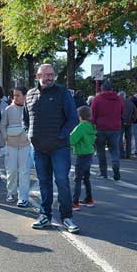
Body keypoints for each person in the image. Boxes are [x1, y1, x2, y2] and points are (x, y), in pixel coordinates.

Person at [24, 64, 79, 233]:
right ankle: (44, 215)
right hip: (38, 148)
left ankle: (67, 217)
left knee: (62, 181)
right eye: (46, 74)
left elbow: (73, 119)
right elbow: (26, 119)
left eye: (51, 74)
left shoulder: (63, 93)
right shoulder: (30, 94)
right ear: (38, 76)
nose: (49, 77)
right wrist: (29, 134)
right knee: (44, 183)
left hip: (59, 148)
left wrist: (61, 136)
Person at [0, 86, 31, 207]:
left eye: (18, 95)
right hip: (11, 145)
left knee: (24, 172)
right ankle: (11, 193)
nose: (15, 97)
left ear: (25, 96)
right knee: (11, 170)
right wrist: (6, 137)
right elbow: (2, 125)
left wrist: (29, 138)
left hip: (26, 145)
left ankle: (23, 197)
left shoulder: (30, 109)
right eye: (14, 95)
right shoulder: (8, 109)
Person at [91, 80, 124, 181]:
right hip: (115, 127)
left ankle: (103, 172)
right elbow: (122, 111)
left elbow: (93, 113)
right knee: (114, 149)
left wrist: (92, 124)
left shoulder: (97, 99)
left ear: (102, 89)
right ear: (112, 89)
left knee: (100, 150)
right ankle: (115, 165)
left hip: (100, 127)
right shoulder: (118, 99)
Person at [70, 105, 96, 209]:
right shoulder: (91, 126)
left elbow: (72, 140)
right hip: (89, 153)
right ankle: (89, 199)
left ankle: (75, 202)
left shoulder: (80, 127)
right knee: (86, 178)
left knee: (77, 179)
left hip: (81, 155)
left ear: (80, 116)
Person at [119, 91, 137, 159]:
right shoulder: (130, 102)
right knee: (128, 139)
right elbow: (136, 112)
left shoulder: (118, 102)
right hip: (129, 123)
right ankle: (128, 154)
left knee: (120, 138)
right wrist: (132, 120)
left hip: (120, 122)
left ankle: (121, 154)